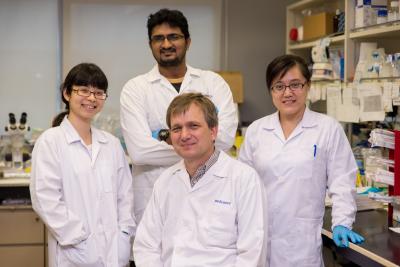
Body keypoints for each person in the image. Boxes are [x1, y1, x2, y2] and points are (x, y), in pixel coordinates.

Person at [238, 54, 364, 266]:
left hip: (302, 244)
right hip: (258, 240)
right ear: (271, 91)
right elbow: (241, 185)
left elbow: (342, 181)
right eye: (279, 86)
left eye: (295, 84)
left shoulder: (327, 129)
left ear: (308, 86)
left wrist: (342, 222)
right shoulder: (257, 131)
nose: (287, 93)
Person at [120, 8, 238, 223]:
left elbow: (226, 138)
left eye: (173, 36)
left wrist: (163, 140)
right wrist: (199, 147)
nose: (166, 44)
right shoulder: (135, 89)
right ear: (150, 45)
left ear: (188, 41)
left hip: (208, 196)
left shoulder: (213, 83)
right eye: (158, 38)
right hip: (154, 201)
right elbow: (139, 152)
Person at [133, 93, 266, 267]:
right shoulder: (165, 181)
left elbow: (252, 253)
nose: (184, 135)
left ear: (213, 131)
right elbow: (146, 246)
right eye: (176, 128)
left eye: (193, 126)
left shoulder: (244, 179)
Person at [30, 63, 135, 267]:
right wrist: (79, 237)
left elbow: (126, 197)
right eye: (84, 90)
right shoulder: (51, 141)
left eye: (98, 92)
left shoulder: (111, 144)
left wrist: (123, 234)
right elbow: (45, 199)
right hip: (74, 252)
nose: (91, 98)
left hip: (114, 252)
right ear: (67, 93)